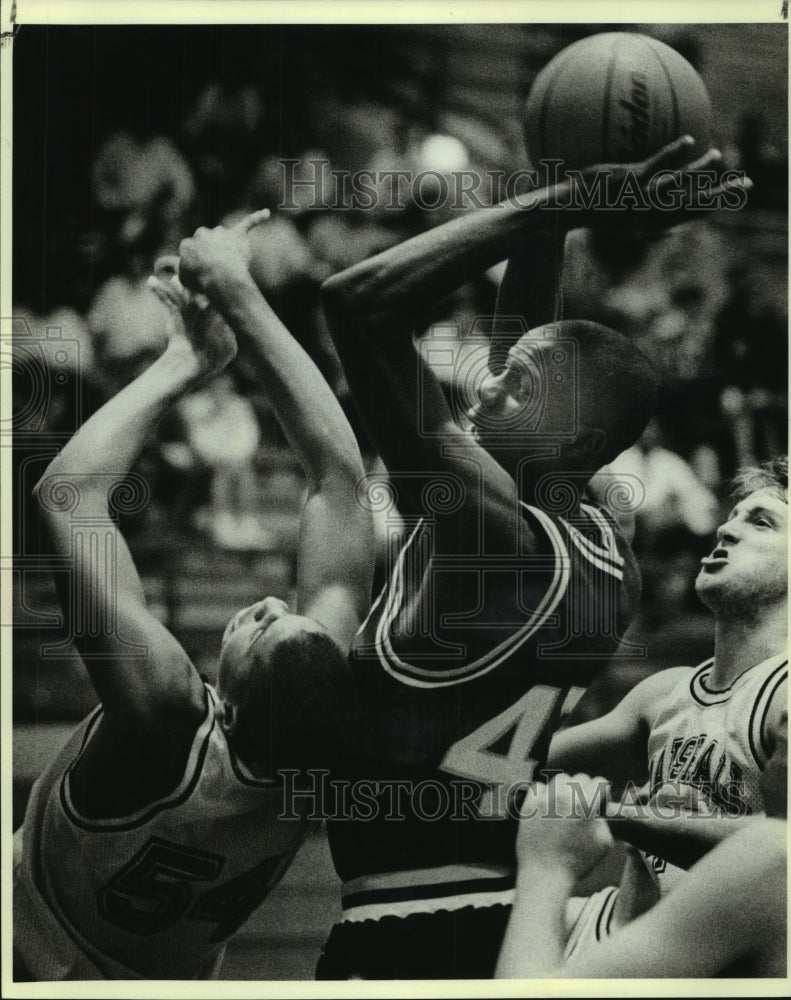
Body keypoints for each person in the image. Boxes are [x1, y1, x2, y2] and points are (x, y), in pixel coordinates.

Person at [313, 138, 747, 979]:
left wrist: (553, 205)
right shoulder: (592, 543)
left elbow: (354, 305)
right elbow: (524, 340)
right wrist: (562, 207)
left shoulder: (489, 532)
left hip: (412, 922)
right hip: (505, 904)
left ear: (573, 439)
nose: (484, 384)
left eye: (516, 387)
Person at [13, 212, 374, 980]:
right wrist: (245, 305)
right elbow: (340, 483)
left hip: (31, 950)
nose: (265, 608)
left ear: (231, 712)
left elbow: (66, 495)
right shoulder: (311, 750)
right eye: (284, 614)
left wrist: (187, 358)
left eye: (258, 628)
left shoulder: (164, 716)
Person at [547, 458, 787, 892]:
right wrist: (543, 664)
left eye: (762, 522)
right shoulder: (664, 693)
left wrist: (627, 817)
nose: (725, 530)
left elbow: (783, 853)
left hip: (730, 953)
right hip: (628, 930)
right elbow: (503, 769)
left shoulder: (781, 696)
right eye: (732, 517)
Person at [496, 772, 787, 978]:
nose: (678, 793)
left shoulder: (772, 861)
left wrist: (546, 865)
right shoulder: (567, 919)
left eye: (720, 806)